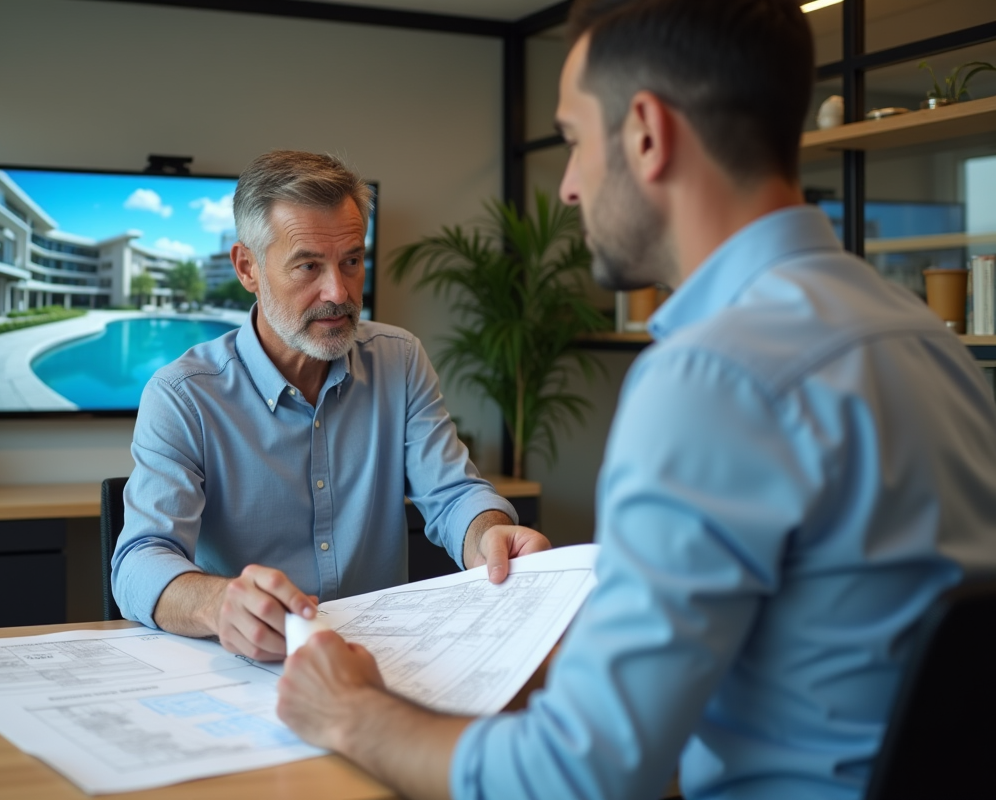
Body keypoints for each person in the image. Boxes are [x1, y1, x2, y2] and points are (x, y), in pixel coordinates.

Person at [274, 1, 996, 798]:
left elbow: (578, 777)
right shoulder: (927, 342)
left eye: (577, 141)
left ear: (647, 134)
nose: (573, 188)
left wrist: (352, 712)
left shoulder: (717, 374)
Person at [112, 150, 550, 662]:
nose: (338, 292)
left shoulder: (399, 359)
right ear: (247, 267)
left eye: (351, 261)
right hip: (252, 669)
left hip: (386, 662)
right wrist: (218, 603)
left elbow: (453, 496)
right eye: (308, 266)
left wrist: (490, 534)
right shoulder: (183, 395)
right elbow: (139, 561)